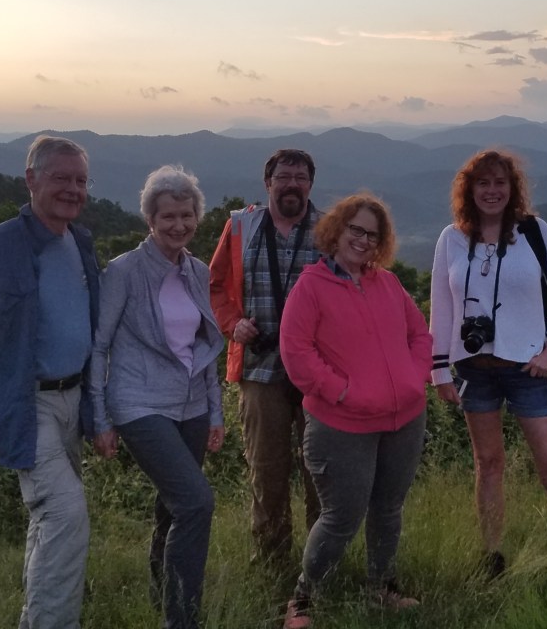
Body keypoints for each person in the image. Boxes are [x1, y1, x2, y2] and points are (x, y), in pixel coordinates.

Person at [0, 135, 99, 629]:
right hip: (23, 404)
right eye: (60, 177)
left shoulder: (80, 241)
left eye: (80, 180)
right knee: (66, 517)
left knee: (48, 521)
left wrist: (97, 412)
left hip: (73, 401)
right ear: (30, 179)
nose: (72, 189)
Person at [430, 148, 547, 577]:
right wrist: (439, 369)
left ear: (512, 188)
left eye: (500, 182)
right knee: (489, 465)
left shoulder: (534, 232)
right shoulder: (451, 238)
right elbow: (442, 308)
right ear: (469, 189)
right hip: (473, 370)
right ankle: (493, 557)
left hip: (528, 370)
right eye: (483, 182)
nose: (492, 190)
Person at [278, 193, 432, 629]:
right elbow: (297, 354)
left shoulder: (388, 283)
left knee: (388, 510)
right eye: (356, 230)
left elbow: (419, 334)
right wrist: (342, 392)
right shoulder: (310, 286)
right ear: (337, 231)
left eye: (373, 234)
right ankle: (303, 601)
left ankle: (382, 590)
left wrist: (413, 376)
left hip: (404, 420)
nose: (363, 240)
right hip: (341, 425)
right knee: (341, 517)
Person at [89, 165, 225, 629]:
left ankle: (159, 594)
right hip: (138, 403)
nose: (178, 225)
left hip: (191, 406)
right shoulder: (123, 271)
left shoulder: (198, 271)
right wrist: (99, 416)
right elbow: (99, 345)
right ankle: (182, 619)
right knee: (196, 502)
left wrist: (215, 412)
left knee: (172, 508)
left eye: (186, 215)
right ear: (150, 218)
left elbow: (203, 347)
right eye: (167, 216)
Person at [209, 148, 321, 564]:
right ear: (268, 182)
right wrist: (232, 324)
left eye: (300, 177)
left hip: (317, 373)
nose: (292, 184)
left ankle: (320, 562)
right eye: (284, 176)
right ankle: (272, 565)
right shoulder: (241, 227)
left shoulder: (331, 229)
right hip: (260, 369)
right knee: (267, 472)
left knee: (321, 471)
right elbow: (215, 284)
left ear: (311, 184)